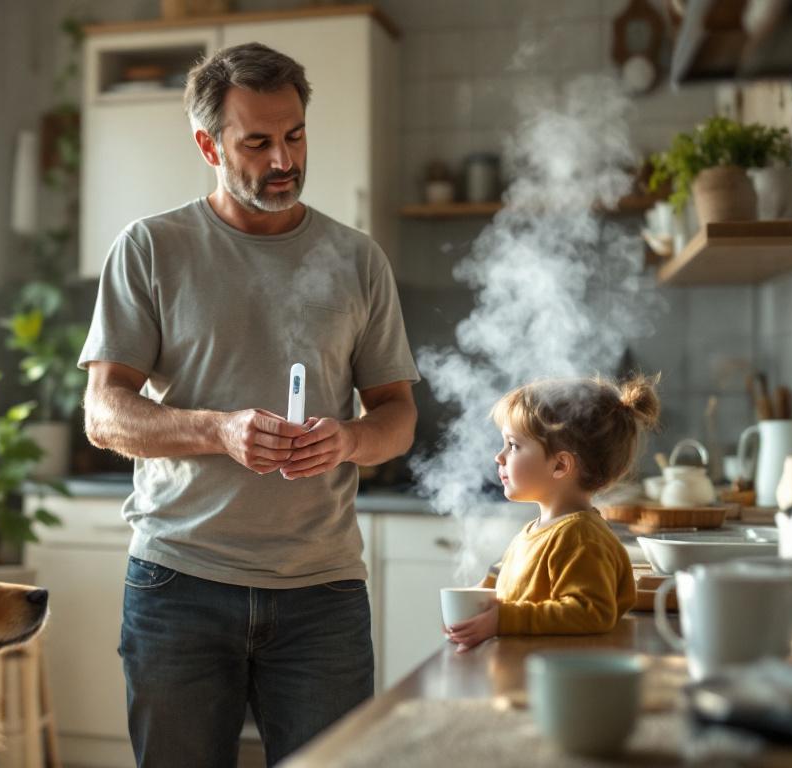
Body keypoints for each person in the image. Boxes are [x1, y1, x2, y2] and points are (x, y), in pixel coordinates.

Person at [78, 42, 419, 767]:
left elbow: (397, 415)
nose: (284, 159)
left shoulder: (358, 259)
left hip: (321, 591)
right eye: (257, 142)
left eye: (294, 134)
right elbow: (104, 413)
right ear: (208, 144)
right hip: (180, 582)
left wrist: (349, 441)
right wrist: (218, 429)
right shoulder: (151, 248)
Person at [445, 376, 659, 652]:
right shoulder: (535, 531)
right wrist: (473, 608)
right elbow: (504, 582)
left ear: (560, 465)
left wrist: (503, 620)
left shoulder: (581, 537)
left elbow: (590, 611)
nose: (499, 457)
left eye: (513, 446)